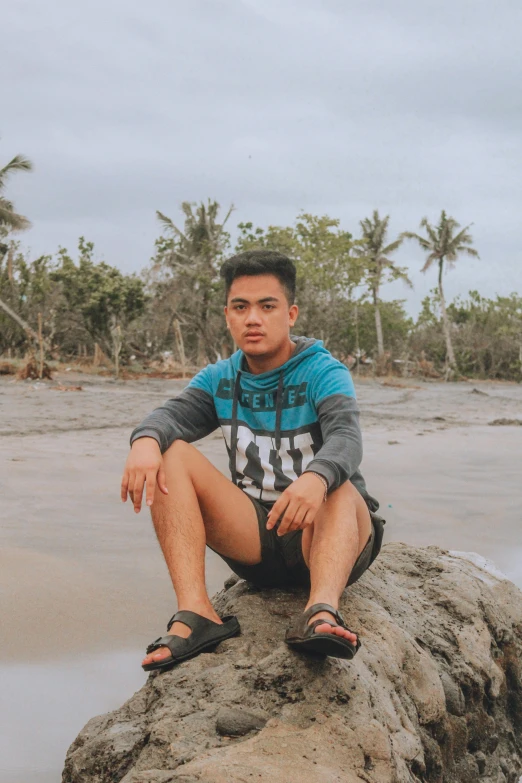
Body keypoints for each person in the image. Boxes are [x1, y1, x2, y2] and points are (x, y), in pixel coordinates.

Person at [121, 250, 384, 673]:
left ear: (291, 313)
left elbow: (347, 438)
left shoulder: (323, 371)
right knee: (171, 454)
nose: (253, 319)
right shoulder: (219, 378)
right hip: (258, 539)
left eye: (267, 306)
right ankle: (197, 614)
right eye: (241, 307)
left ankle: (321, 611)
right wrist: (145, 440)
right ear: (227, 315)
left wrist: (316, 478)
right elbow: (171, 416)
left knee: (338, 483)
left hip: (327, 534)